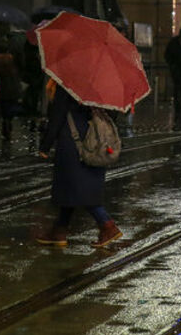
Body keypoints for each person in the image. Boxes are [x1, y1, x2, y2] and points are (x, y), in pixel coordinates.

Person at [36, 83, 122, 248]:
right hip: (95, 140)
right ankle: (59, 231)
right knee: (71, 188)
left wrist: (45, 145)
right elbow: (112, 112)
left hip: (72, 140)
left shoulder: (68, 81)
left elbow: (58, 114)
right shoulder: (101, 82)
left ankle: (107, 225)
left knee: (77, 188)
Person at [0, 34, 23, 141]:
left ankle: (6, 121)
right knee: (10, 107)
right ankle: (8, 122)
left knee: (4, 107)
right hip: (11, 87)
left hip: (2, 87)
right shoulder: (13, 57)